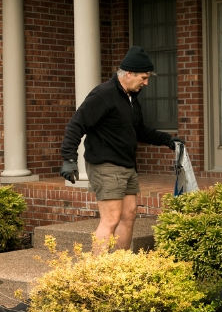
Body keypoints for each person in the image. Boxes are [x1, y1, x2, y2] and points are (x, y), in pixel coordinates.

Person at [60, 45, 179, 253]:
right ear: (129, 73)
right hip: (105, 165)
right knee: (111, 218)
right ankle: (99, 271)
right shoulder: (103, 94)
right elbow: (76, 124)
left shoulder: (131, 98)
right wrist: (69, 159)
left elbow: (139, 130)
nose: (146, 82)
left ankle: (121, 266)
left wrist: (168, 140)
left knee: (129, 214)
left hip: (126, 165)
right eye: (143, 77)